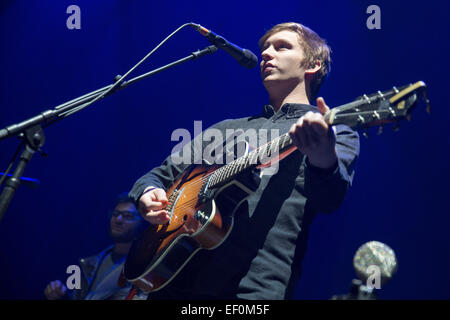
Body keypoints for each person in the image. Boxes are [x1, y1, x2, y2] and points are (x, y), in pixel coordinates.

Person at [128, 22, 360, 299]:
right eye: (264, 48)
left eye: (282, 47)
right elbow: (158, 176)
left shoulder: (335, 131)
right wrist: (147, 193)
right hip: (174, 283)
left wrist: (322, 154)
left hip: (252, 288)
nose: (266, 54)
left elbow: (329, 200)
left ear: (312, 65)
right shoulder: (225, 128)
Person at [44, 192, 148, 300]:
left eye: (128, 216)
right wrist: (61, 295)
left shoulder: (145, 270)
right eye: (115, 214)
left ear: (142, 222)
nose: (118, 219)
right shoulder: (90, 263)